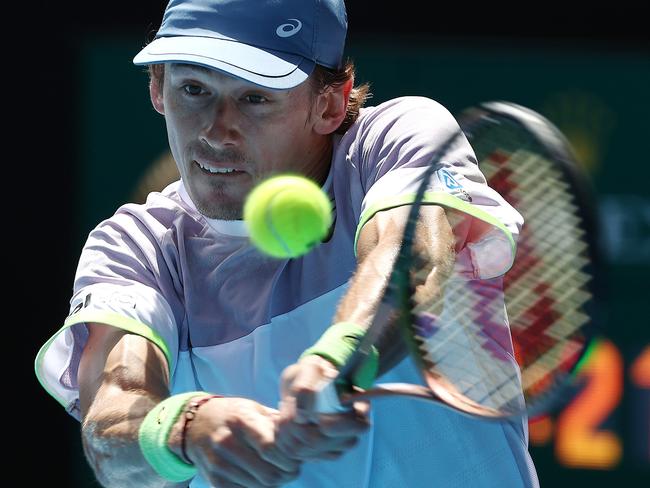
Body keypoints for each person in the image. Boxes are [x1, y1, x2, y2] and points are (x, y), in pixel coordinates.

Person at [34, 0, 539, 486]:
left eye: (254, 98)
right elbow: (114, 419)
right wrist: (186, 430)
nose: (216, 131)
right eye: (193, 89)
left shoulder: (393, 140)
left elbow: (412, 257)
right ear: (157, 89)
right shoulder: (136, 247)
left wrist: (341, 356)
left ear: (331, 103)